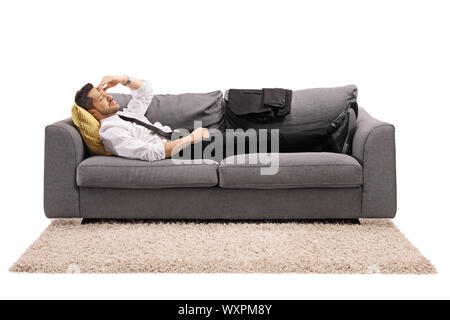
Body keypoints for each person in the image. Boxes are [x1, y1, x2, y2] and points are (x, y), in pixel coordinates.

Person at [74, 75, 280, 162]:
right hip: (183, 150)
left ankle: (304, 141)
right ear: (92, 113)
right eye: (101, 98)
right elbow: (150, 153)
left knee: (256, 133)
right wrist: (191, 139)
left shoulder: (124, 115)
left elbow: (145, 91)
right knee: (257, 140)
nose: (109, 97)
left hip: (185, 139)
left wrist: (122, 79)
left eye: (105, 94)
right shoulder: (112, 132)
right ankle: (301, 142)